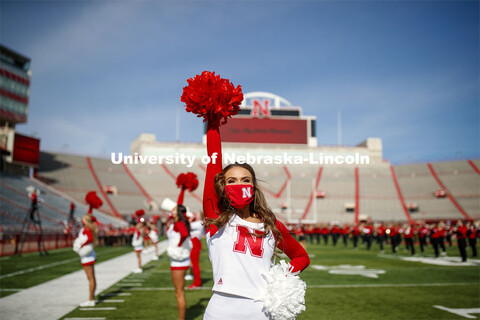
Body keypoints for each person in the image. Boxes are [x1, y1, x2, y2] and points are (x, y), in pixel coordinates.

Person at [202, 123, 310, 320]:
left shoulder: (270, 224)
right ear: (222, 186)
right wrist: (212, 118)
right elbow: (213, 160)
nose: (239, 184)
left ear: (253, 186)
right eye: (231, 181)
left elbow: (301, 257)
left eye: (245, 180)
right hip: (220, 309)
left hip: (260, 310)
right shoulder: (216, 218)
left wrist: (281, 280)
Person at [167, 205, 191, 320]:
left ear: (178, 212)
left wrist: (179, 245)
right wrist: (182, 189)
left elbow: (185, 234)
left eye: (174, 209)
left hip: (179, 262)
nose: (171, 210)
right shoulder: (177, 222)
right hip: (177, 261)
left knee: (179, 293)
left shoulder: (179, 223)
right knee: (179, 292)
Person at [73, 214, 98, 307]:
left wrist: (82, 245)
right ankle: (92, 298)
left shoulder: (87, 229)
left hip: (87, 256)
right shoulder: (88, 228)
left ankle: (91, 300)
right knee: (91, 278)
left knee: (91, 278)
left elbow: (89, 239)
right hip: (89, 255)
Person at [187, 211, 205, 289]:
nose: (195, 215)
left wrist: (190, 219)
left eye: (197, 214)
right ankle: (196, 280)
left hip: (195, 243)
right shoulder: (197, 222)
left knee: (195, 264)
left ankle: (197, 283)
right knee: (193, 263)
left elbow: (187, 226)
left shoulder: (199, 223)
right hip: (194, 243)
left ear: (201, 216)